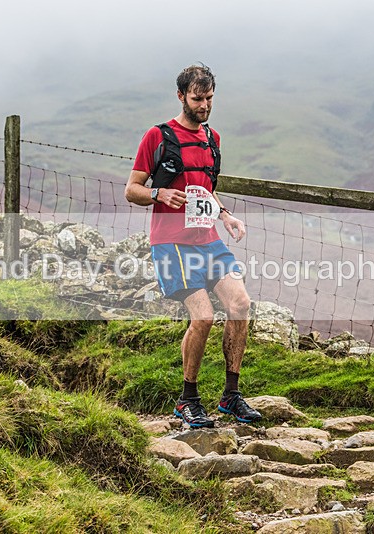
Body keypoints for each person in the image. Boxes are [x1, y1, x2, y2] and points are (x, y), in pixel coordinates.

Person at [125, 64, 262, 428]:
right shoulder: (158, 136)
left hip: (208, 240)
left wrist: (226, 215)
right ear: (181, 96)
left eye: (210, 98)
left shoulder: (212, 139)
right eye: (198, 99)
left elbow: (206, 190)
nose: (204, 106)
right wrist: (159, 193)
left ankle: (231, 395)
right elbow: (132, 189)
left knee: (240, 304)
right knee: (203, 317)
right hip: (171, 243)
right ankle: (187, 399)